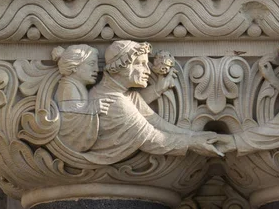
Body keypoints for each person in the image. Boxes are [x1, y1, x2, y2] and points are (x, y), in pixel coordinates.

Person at [84, 40, 222, 164]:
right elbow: (151, 138)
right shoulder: (114, 101)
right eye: (141, 64)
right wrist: (192, 142)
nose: (147, 70)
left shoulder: (114, 93)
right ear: (123, 66)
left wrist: (193, 135)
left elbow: (153, 119)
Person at [52, 44, 112, 152]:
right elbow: (69, 118)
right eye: (91, 64)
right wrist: (93, 108)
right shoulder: (68, 87)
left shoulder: (76, 85)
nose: (97, 70)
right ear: (74, 66)